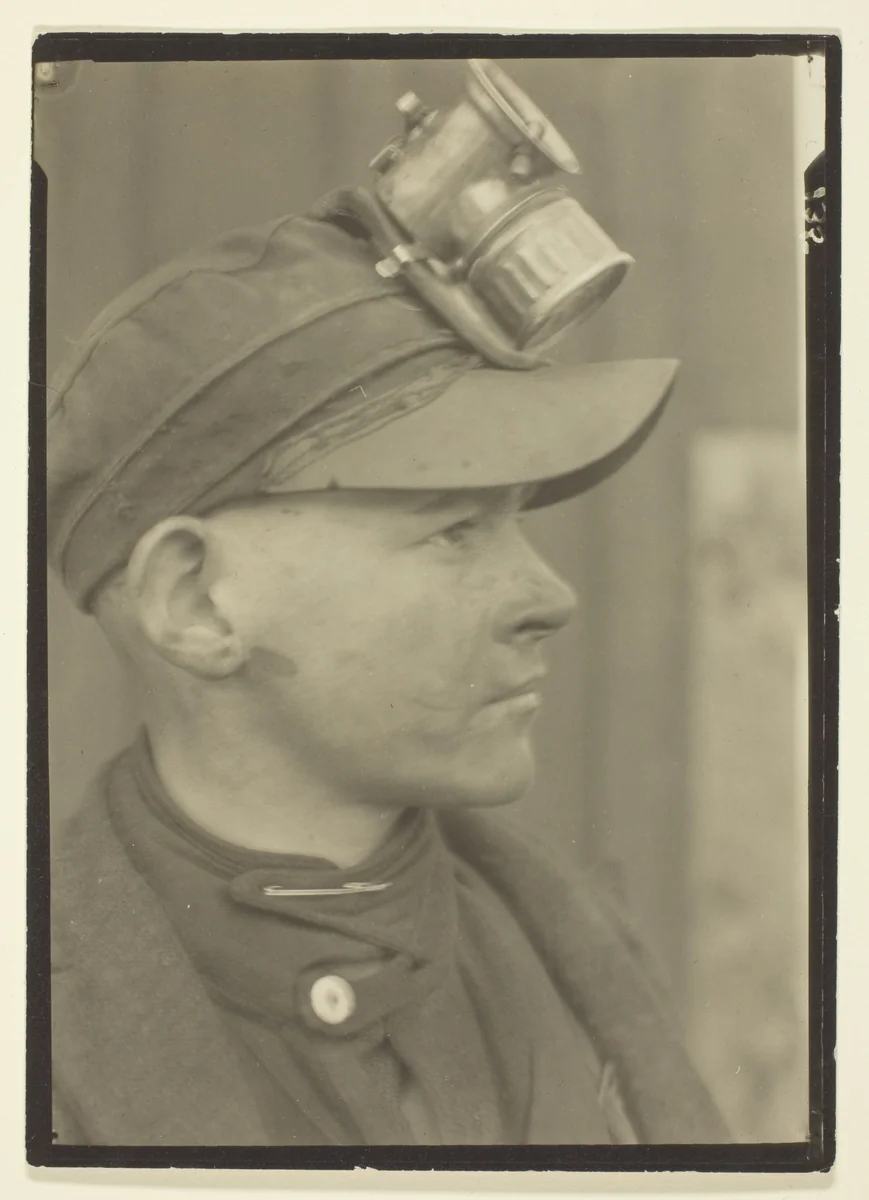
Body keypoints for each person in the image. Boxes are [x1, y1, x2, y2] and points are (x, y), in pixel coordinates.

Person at [46, 153, 728, 1147]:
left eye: (511, 522)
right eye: (454, 530)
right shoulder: (46, 1032)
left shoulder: (567, 937)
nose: (549, 595)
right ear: (195, 602)